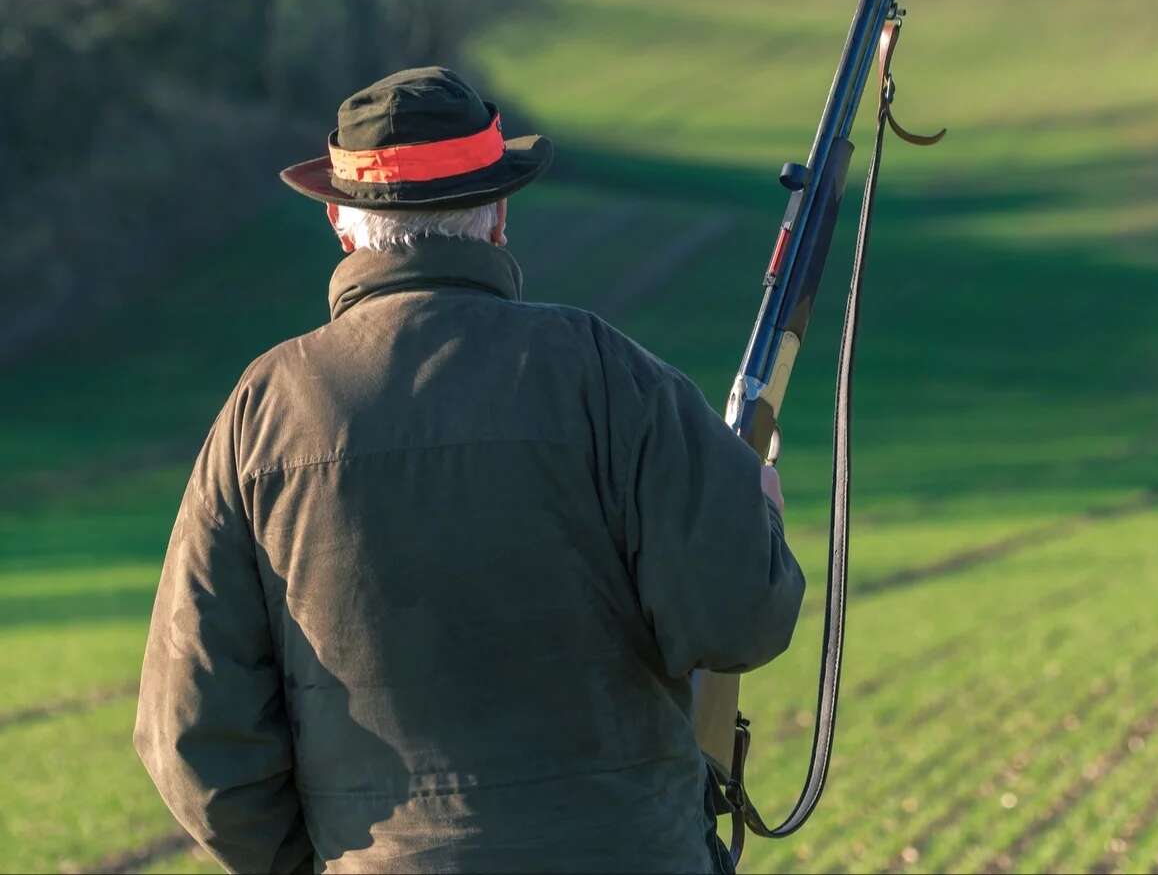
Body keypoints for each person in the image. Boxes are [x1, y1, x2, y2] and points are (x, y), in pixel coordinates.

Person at [134, 66, 806, 873]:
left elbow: (193, 735)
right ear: (498, 219)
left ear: (343, 227)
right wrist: (756, 509)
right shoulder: (608, 374)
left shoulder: (261, 411)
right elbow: (739, 618)